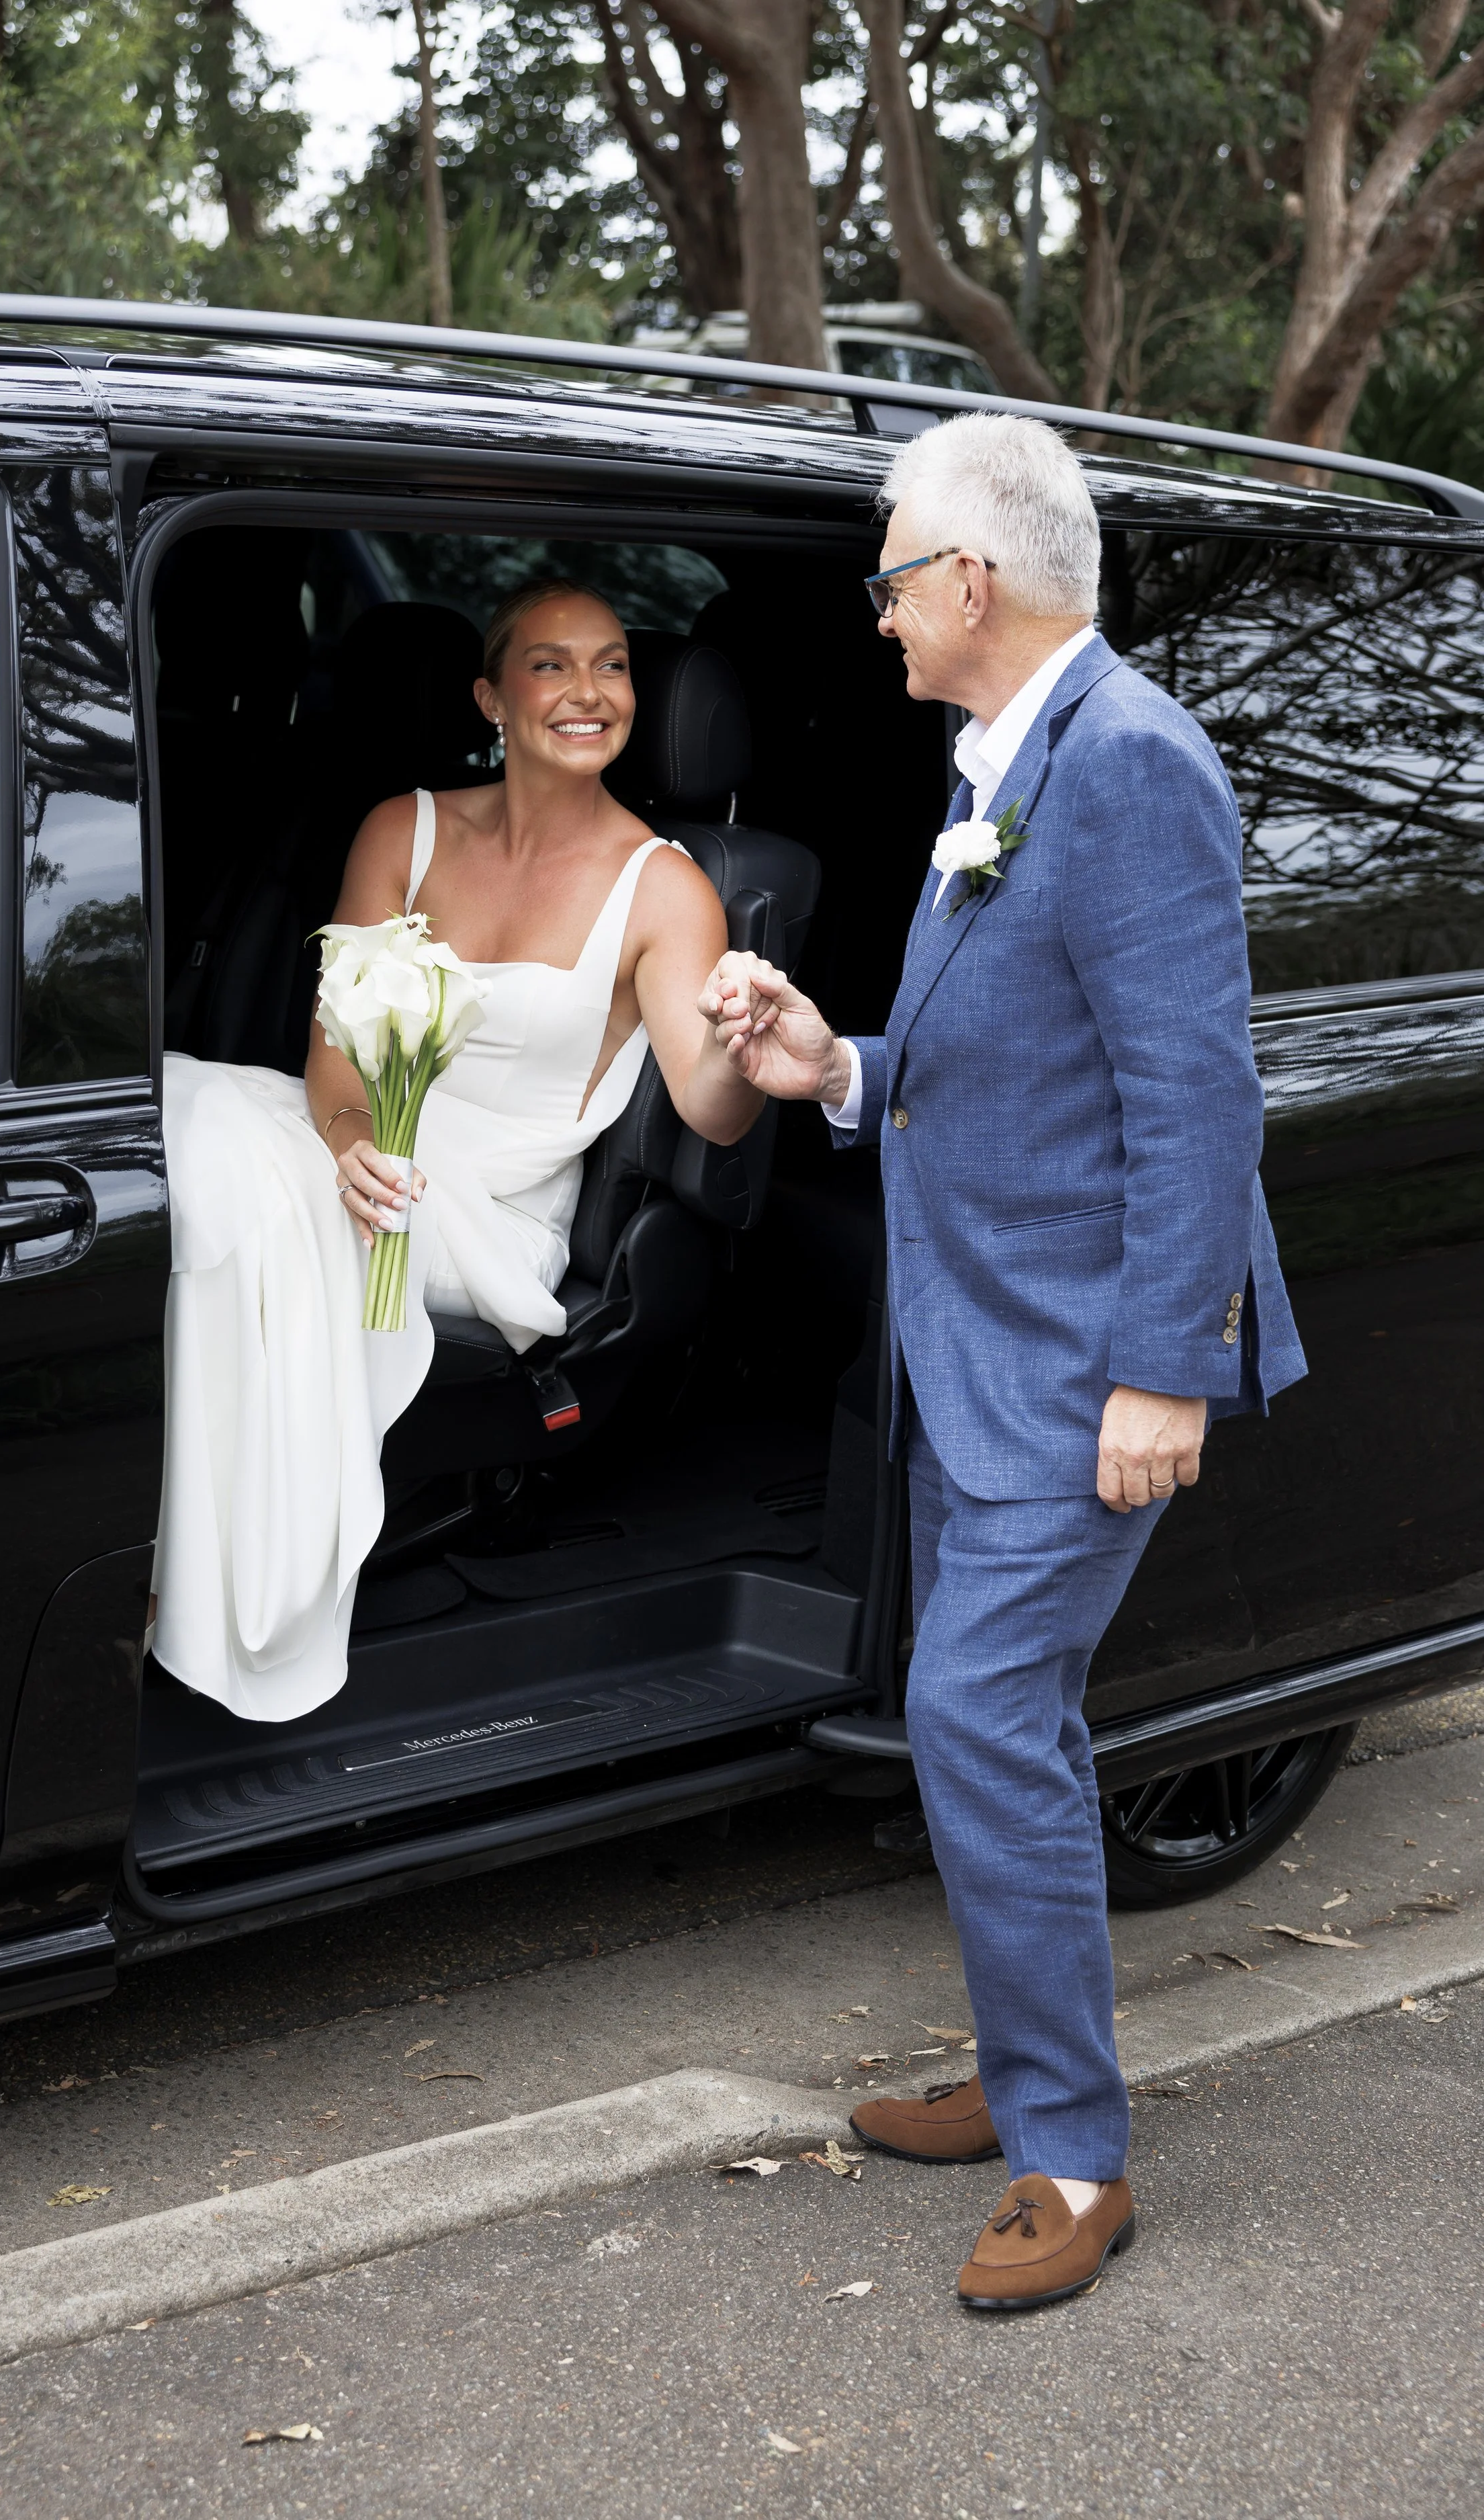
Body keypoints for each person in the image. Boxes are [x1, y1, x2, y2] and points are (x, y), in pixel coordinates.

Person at [700, 412, 1305, 2313]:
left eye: (887, 572)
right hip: (976, 1339)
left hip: (1073, 1361)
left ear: (967, 578)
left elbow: (1194, 1097)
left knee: (970, 1712)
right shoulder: (1004, 757)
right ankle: (1023, 2057)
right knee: (1003, 1725)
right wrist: (838, 1066)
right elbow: (1008, 1057)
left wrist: (1158, 1370)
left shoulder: (1123, 760)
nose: (874, 611)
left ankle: (1069, 2150)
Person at [152, 579, 762, 1724]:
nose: (589, 692)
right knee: (184, 1113)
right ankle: (178, 1550)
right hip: (357, 1155)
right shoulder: (402, 828)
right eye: (551, 665)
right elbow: (334, 1059)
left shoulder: (669, 888)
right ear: (489, 694)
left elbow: (712, 1108)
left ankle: (208, 1579)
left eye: (615, 665)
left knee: (222, 1171)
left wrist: (751, 1050)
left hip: (491, 1214)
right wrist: (346, 1148)